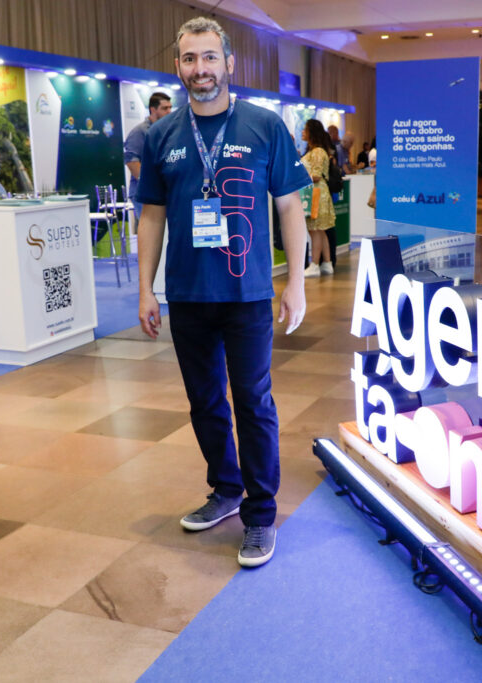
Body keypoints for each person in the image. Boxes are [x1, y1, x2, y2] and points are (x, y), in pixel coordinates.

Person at [136, 17, 311, 568]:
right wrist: (146, 289)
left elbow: (290, 207)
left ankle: (260, 514)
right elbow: (151, 217)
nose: (200, 69)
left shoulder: (264, 126)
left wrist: (297, 283)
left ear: (229, 64)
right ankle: (226, 490)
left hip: (247, 292)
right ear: (178, 66)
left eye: (210, 58)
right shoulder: (161, 135)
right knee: (205, 402)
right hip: (188, 293)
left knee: (252, 401)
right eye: (189, 59)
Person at [123, 92, 173, 221]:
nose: (169, 111)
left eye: (170, 107)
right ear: (153, 109)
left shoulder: (168, 130)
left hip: (166, 193)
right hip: (146, 194)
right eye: (164, 108)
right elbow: (132, 162)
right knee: (152, 236)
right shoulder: (140, 132)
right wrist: (151, 184)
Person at [302, 119, 335, 276]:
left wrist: (300, 178)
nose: (302, 132)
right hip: (317, 193)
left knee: (315, 229)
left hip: (315, 194)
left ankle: (315, 264)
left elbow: (315, 175)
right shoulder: (318, 151)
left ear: (311, 133)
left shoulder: (317, 152)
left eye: (305, 129)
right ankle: (327, 263)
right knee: (320, 230)